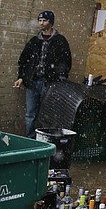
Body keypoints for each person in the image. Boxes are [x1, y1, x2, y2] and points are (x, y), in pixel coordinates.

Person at [13, 10, 72, 138]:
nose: (41, 23)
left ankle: (44, 141)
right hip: (32, 82)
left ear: (50, 23)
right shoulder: (34, 41)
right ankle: (30, 140)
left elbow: (65, 62)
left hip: (49, 83)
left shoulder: (60, 41)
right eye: (39, 20)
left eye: (44, 20)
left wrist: (59, 78)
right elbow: (24, 60)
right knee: (30, 114)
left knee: (47, 114)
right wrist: (21, 77)